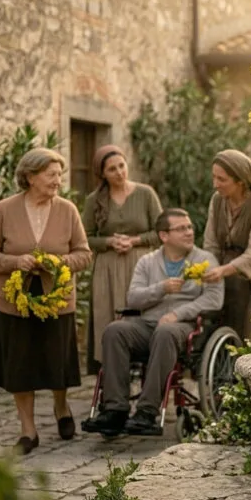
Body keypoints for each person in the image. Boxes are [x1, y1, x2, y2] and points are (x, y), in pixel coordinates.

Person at [0, 148, 92, 455]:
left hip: (57, 301)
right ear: (30, 177)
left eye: (59, 175)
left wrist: (57, 261)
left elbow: (84, 254)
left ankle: (61, 406)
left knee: (56, 361)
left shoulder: (68, 210)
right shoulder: (5, 209)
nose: (57, 181)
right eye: (51, 174)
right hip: (13, 303)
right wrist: (16, 262)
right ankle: (28, 430)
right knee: (20, 366)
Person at [81, 208, 224, 437]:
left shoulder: (205, 260)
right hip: (146, 324)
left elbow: (214, 299)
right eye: (181, 228)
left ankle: (147, 411)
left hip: (183, 328)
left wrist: (178, 314)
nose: (189, 232)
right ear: (163, 236)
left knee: (165, 332)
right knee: (115, 330)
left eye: (189, 227)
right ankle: (114, 409)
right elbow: (133, 298)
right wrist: (161, 288)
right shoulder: (148, 261)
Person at [82, 145, 163, 374]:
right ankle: (111, 374)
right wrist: (109, 242)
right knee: (109, 316)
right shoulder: (94, 201)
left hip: (142, 264)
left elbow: (162, 232)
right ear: (102, 174)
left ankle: (147, 367)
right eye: (111, 169)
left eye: (121, 166)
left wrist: (135, 240)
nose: (119, 172)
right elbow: (84, 238)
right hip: (107, 269)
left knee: (142, 314)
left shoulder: (145, 194)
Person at [201, 149, 251, 340]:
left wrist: (223, 271)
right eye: (214, 177)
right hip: (223, 269)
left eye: (222, 179)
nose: (215, 184)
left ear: (240, 181)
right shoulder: (217, 201)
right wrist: (210, 268)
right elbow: (210, 243)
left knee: (250, 330)